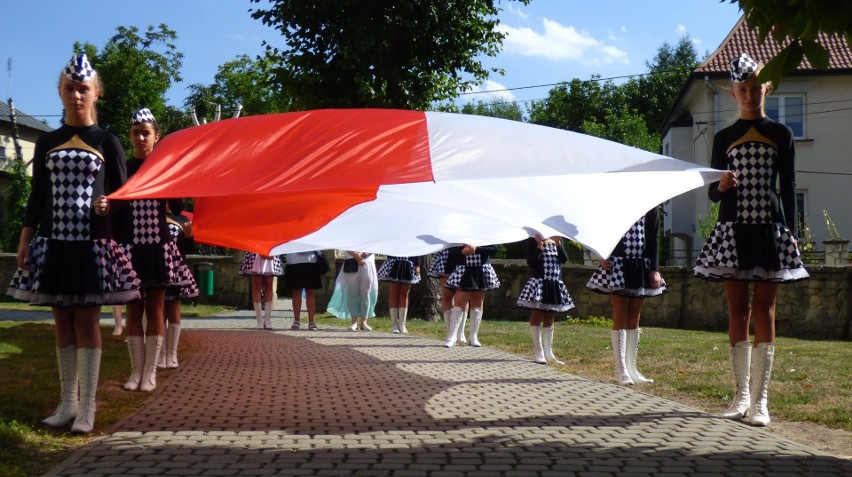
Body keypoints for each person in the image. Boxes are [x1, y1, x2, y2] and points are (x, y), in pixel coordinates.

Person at [6, 54, 140, 434]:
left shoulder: (108, 141)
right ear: (60, 93)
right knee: (61, 321)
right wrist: (26, 236)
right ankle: (67, 402)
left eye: (83, 89)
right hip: (54, 242)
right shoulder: (47, 141)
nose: (76, 95)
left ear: (96, 93)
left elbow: (123, 198)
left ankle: (88, 407)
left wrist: (107, 206)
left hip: (91, 245)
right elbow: (37, 196)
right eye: (70, 89)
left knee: (87, 322)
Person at [694, 53, 809, 427]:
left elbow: (788, 186)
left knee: (765, 311)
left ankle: (761, 401)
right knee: (737, 311)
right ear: (733, 93)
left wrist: (790, 231)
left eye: (756, 88)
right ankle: (740, 395)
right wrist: (722, 186)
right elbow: (713, 192)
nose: (749, 94)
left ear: (767, 88)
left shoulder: (782, 134)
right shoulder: (723, 137)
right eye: (743, 89)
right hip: (732, 230)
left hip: (769, 229)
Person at [120, 108, 191, 393]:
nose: (140, 138)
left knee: (157, 307)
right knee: (133, 310)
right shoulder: (123, 168)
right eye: (136, 133)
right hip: (130, 246)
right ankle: (136, 371)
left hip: (158, 246)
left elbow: (176, 207)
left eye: (145, 133)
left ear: (156, 137)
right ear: (130, 136)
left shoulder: (163, 167)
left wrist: (174, 176)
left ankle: (150, 373)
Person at [587, 207, 665, 386]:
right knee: (620, 314)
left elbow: (653, 237)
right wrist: (603, 255)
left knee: (634, 316)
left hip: (641, 264)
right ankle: (621, 370)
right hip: (617, 263)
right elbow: (603, 229)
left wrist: (655, 269)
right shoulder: (617, 201)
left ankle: (632, 368)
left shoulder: (651, 204)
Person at [518, 235, 574, 364]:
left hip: (554, 282)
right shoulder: (534, 239)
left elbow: (564, 259)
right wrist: (539, 247)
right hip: (539, 282)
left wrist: (559, 245)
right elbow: (531, 262)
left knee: (550, 316)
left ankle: (549, 353)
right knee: (537, 314)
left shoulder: (558, 240)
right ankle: (538, 351)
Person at [158, 204, 198, 369]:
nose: (167, 203)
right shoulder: (153, 217)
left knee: (174, 311)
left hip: (177, 271)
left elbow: (190, 249)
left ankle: (172, 354)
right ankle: (160, 354)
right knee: (158, 312)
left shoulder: (183, 220)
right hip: (158, 270)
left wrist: (189, 237)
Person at [444, 244, 500, 348]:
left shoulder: (485, 232)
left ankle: (473, 336)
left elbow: (493, 249)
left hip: (481, 268)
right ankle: (452, 336)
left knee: (478, 301)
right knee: (460, 300)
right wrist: (462, 252)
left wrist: (477, 248)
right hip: (464, 268)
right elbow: (451, 250)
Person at [327, 251, 378, 331]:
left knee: (366, 294)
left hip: (367, 262)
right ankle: (354, 322)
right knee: (352, 293)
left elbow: (374, 244)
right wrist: (356, 256)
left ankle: (364, 322)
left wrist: (363, 255)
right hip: (351, 261)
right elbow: (346, 242)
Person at [428, 246, 466, 342]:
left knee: (463, 296)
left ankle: (460, 332)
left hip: (464, 257)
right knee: (446, 296)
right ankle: (450, 332)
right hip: (446, 257)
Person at [377, 256, 422, 333]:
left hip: (408, 262)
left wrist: (417, 265)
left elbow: (417, 246)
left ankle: (402, 324)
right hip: (394, 261)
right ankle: (394, 324)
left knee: (404, 294)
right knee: (394, 292)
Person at [239, 251, 283, 330]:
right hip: (255, 252)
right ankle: (259, 320)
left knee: (269, 287)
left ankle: (267, 320)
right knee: (256, 287)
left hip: (270, 252)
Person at [285, 251, 325, 331]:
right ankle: (296, 321)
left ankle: (311, 322)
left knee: (310, 291)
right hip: (294, 261)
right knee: (296, 291)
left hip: (311, 261)